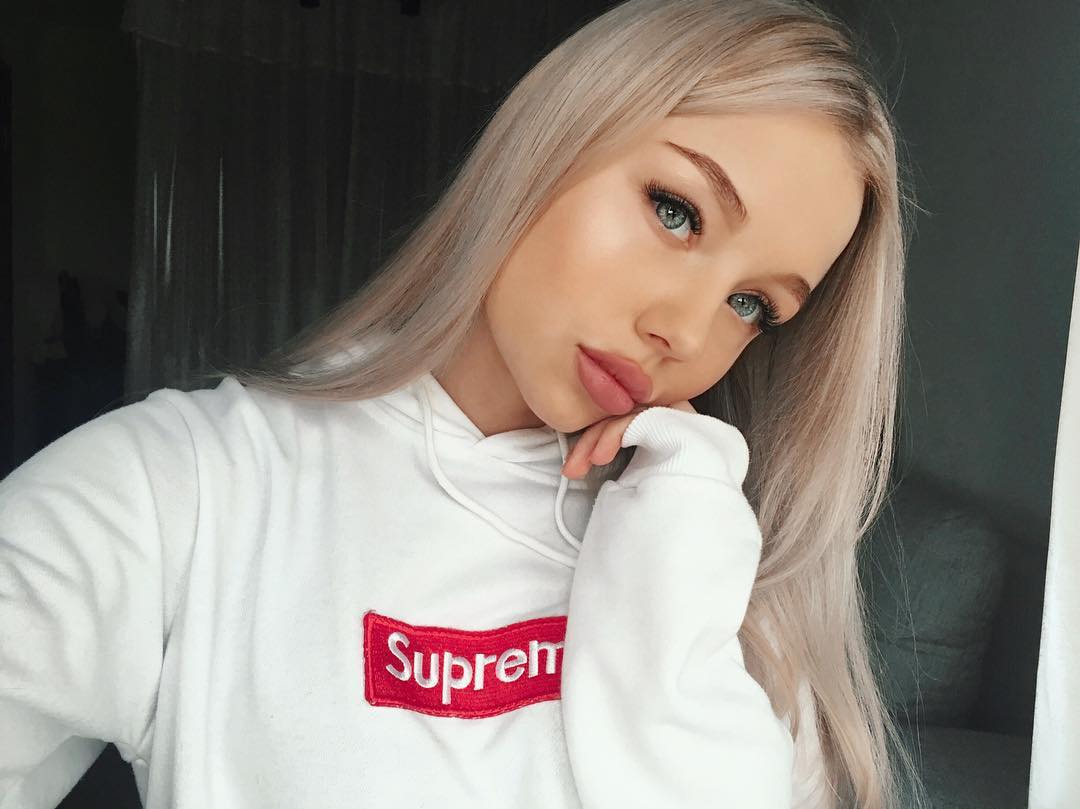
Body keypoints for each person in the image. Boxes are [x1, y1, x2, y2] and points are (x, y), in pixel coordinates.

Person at [0, 0, 930, 807]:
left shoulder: (716, 570)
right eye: (676, 210)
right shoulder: (181, 493)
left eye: (752, 305)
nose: (683, 331)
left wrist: (683, 538)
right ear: (552, 135)